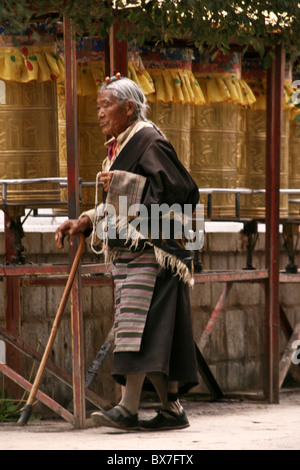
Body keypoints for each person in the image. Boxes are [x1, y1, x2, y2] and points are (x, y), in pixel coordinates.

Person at [55, 75, 199, 431]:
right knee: (149, 331)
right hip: (130, 254)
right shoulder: (121, 146)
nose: (100, 114)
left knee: (135, 328)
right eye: (98, 107)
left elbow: (180, 191)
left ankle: (127, 407)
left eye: (106, 105)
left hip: (152, 254)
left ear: (129, 108)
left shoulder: (149, 140)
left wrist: (123, 183)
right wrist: (85, 220)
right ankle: (172, 409)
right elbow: (117, 207)